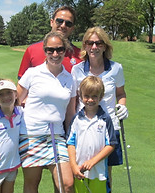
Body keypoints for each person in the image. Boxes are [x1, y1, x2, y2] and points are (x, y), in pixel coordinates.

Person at [17, 31, 76, 193]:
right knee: (32, 184)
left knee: (67, 185)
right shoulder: (32, 73)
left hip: (57, 136)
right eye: (50, 50)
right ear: (45, 50)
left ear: (65, 50)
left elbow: (70, 114)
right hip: (31, 135)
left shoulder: (70, 78)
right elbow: (14, 104)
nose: (55, 54)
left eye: (59, 49)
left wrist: (72, 139)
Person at [71, 27, 128, 190]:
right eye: (90, 43)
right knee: (82, 172)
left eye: (98, 43)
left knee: (105, 176)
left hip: (109, 127)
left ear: (104, 46)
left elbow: (121, 93)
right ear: (85, 46)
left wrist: (122, 106)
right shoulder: (77, 69)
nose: (94, 47)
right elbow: (74, 99)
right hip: (83, 127)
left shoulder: (116, 68)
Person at [67, 76, 117, 193]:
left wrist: (92, 161)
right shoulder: (76, 119)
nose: (90, 100)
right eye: (87, 96)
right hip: (79, 171)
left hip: (99, 172)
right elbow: (70, 144)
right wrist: (74, 166)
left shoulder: (105, 119)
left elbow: (111, 145)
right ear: (81, 96)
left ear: (101, 96)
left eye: (94, 96)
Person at [18, 6, 81, 80]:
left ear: (72, 28)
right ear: (52, 22)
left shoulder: (80, 56)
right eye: (59, 21)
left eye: (68, 23)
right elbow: (21, 83)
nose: (63, 25)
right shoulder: (32, 50)